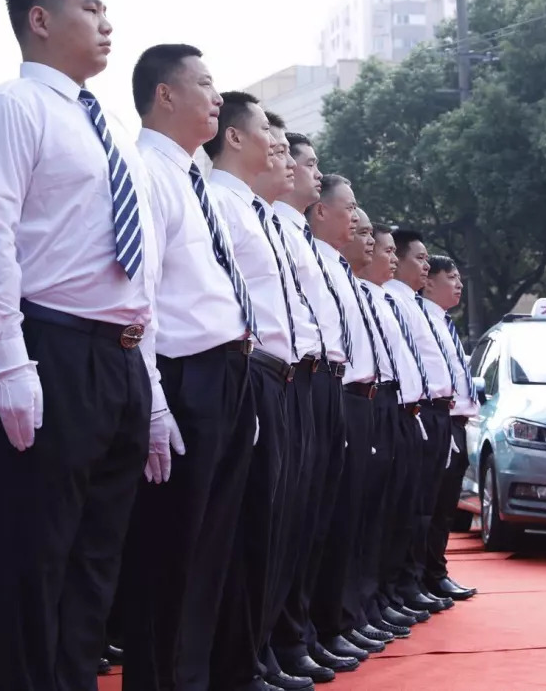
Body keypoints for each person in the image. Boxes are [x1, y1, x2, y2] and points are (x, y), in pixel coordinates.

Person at [0, 0, 176, 691]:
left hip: (119, 357)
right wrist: (9, 362)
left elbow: (140, 272)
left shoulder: (107, 128)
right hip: (51, 348)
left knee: (96, 560)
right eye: (91, 8)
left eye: (106, 10)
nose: (107, 23)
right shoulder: (10, 107)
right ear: (40, 19)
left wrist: (150, 391)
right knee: (35, 556)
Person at [117, 44, 257, 691]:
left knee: (211, 550)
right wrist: (153, 401)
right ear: (165, 95)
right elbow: (137, 294)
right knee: (170, 550)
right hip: (182, 377)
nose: (217, 97)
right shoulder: (145, 171)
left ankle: (193, 677)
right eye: (204, 83)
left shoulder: (193, 177)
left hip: (226, 374)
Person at [203, 91, 295, 691]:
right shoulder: (218, 201)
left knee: (271, 524)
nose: (276, 146)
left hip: (276, 374)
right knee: (240, 529)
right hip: (246, 369)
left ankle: (255, 654)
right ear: (235, 137)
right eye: (267, 131)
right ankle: (234, 663)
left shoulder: (255, 212)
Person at [270, 134, 353, 684]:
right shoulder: (269, 223)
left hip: (323, 380)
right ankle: (276, 642)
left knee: (313, 521)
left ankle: (299, 635)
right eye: (307, 162)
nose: (314, 173)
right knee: (282, 524)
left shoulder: (301, 236)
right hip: (287, 375)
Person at [250, 112, 320, 691]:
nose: (300, 169)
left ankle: (285, 640)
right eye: (287, 154)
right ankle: (255, 650)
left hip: (301, 377)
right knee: (259, 528)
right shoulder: (234, 209)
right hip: (258, 373)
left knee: (297, 522)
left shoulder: (285, 229)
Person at [306, 175, 384, 666]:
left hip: (353, 395)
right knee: (318, 522)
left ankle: (339, 619)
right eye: (351, 210)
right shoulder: (309, 255)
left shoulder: (340, 271)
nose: (359, 225)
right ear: (321, 211)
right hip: (321, 385)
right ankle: (312, 629)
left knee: (349, 519)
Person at [355, 217, 428, 634]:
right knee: (365, 517)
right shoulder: (366, 293)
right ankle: (356, 610)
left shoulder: (387, 299)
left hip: (398, 406)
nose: (390, 258)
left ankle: (382, 599)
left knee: (394, 513)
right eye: (386, 250)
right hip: (369, 402)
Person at [384, 229, 455, 614]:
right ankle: (400, 587)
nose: (426, 265)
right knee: (407, 507)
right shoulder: (393, 300)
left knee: (425, 505)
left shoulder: (415, 305)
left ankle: (412, 582)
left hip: (433, 410)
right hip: (411, 409)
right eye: (420, 258)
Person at [341, 212, 401, 647]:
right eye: (362, 232)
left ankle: (366, 606)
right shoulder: (346, 283)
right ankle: (340, 617)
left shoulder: (381, 297)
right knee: (346, 518)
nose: (364, 240)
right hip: (344, 395)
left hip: (380, 401)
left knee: (376, 515)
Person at [420, 255, 479, 601]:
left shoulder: (443, 322)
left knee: (445, 505)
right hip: (436, 416)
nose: (459, 285)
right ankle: (426, 575)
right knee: (430, 505)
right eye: (452, 278)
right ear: (429, 282)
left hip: (456, 420)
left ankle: (435, 571)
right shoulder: (419, 318)